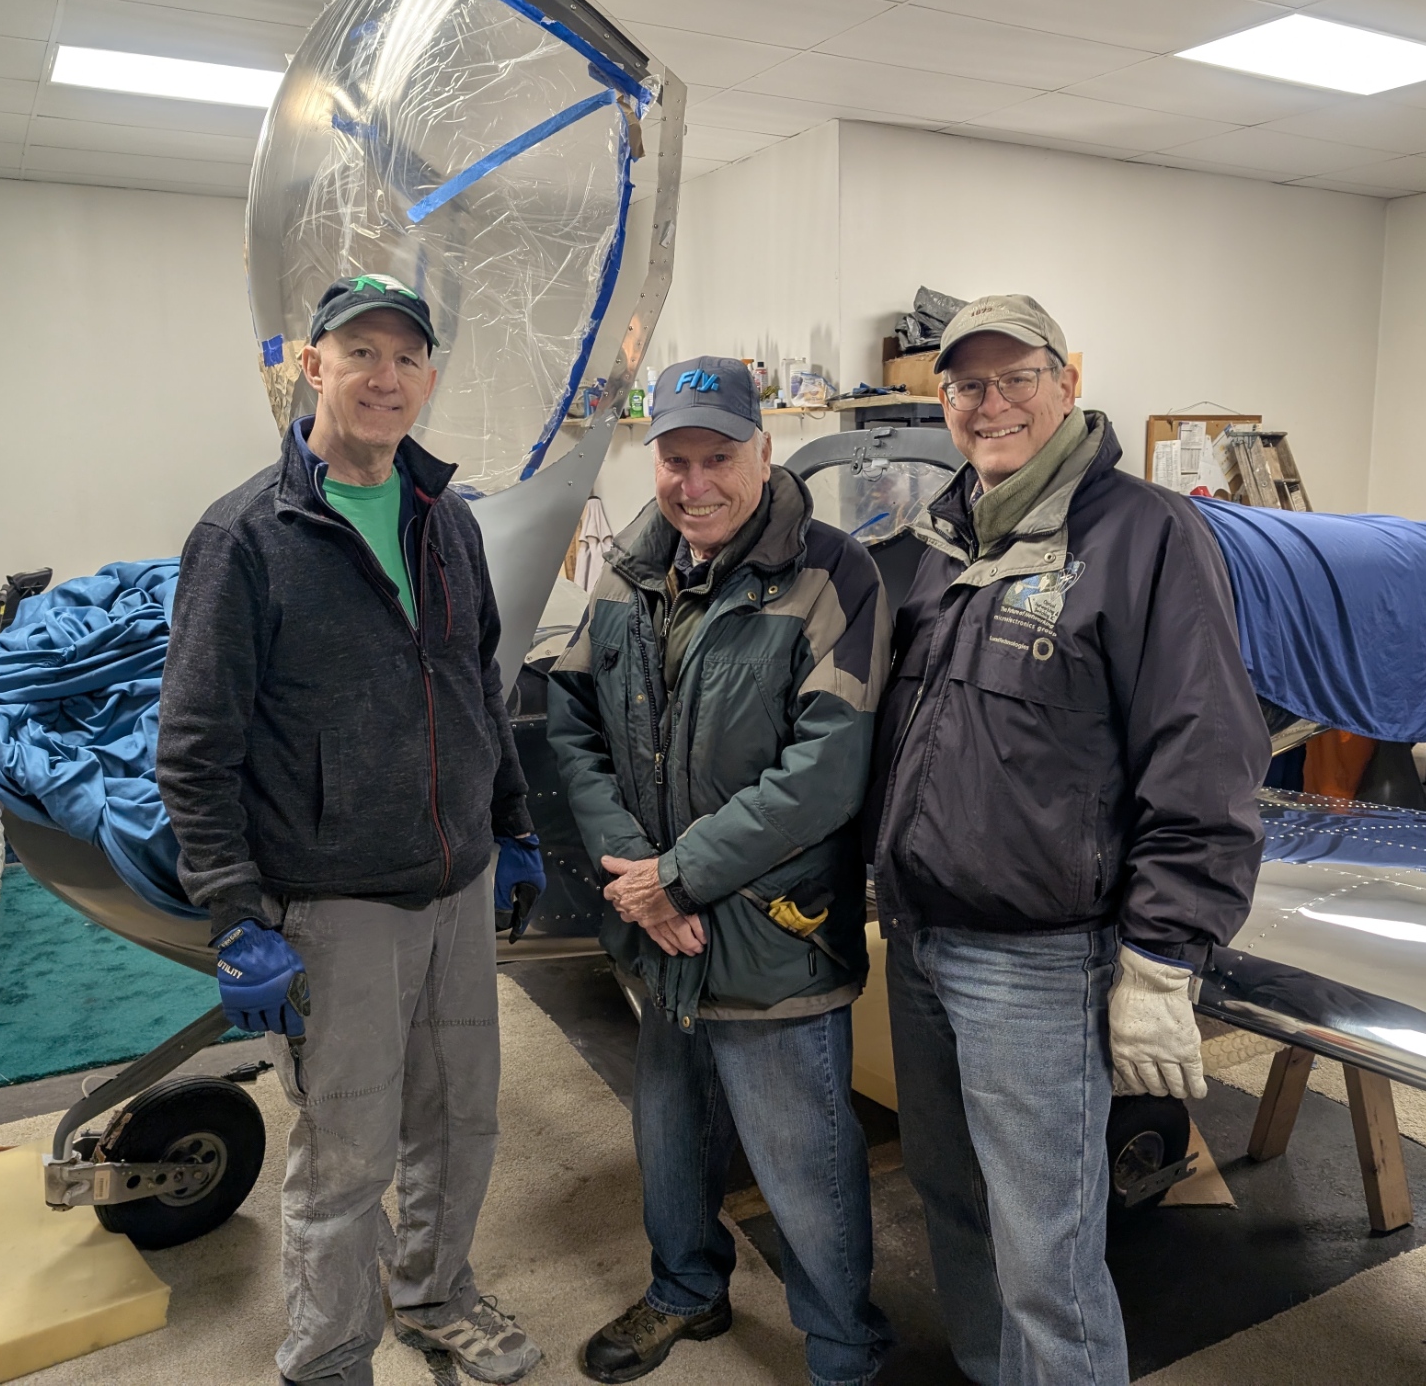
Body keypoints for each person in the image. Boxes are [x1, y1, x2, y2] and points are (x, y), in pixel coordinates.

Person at [865, 295, 1268, 1384]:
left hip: (1039, 962)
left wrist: (1161, 958)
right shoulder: (939, 536)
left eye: (1014, 378)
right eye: (964, 385)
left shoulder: (1142, 535)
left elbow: (1207, 753)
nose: (988, 404)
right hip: (921, 944)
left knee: (1047, 1249)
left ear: (1065, 379)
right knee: (951, 1203)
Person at [159, 274, 548, 1386]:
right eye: (360, 352)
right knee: (345, 1154)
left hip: (456, 884)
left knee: (462, 1118)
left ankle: (434, 1291)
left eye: (406, 357)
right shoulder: (245, 536)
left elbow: (476, 686)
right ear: (310, 367)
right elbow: (194, 745)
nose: (385, 377)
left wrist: (511, 822)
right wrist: (236, 915)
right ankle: (326, 1356)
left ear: (428, 378)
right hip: (334, 904)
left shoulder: (449, 522)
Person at [548, 356, 894, 1386]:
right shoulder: (626, 571)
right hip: (658, 928)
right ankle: (685, 1289)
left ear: (763, 451)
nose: (694, 481)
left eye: (718, 456)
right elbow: (572, 724)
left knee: (804, 1166)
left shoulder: (835, 574)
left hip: (768, 931)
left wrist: (679, 878)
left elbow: (826, 769)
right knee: (671, 1132)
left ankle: (843, 1349)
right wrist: (636, 878)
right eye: (675, 458)